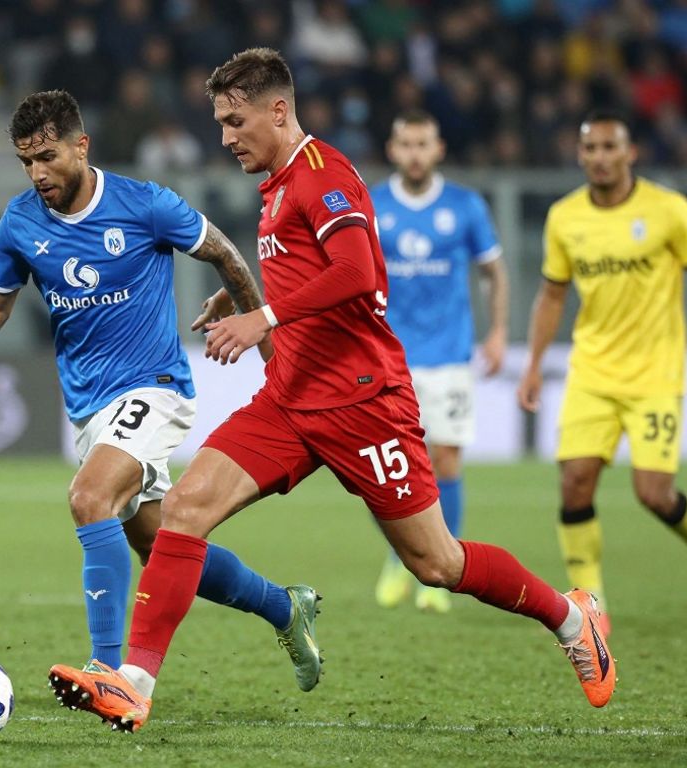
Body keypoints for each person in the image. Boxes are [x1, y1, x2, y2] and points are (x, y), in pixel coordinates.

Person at [49, 48, 616, 733]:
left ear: (278, 110)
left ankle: (569, 615)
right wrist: (244, 303)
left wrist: (264, 315)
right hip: (290, 397)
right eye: (220, 123)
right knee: (185, 507)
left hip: (362, 401)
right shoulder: (277, 186)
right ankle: (134, 684)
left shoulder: (324, 174)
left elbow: (356, 272)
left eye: (235, 120)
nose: (226, 137)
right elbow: (304, 279)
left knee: (437, 562)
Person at [0, 90, 321, 680]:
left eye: (47, 157)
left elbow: (227, 255)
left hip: (154, 386)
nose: (38, 173)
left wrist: (267, 348)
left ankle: (107, 670)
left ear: (80, 146)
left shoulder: (144, 204)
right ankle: (283, 606)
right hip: (90, 405)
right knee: (162, 548)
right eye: (26, 162)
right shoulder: (19, 223)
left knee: (88, 498)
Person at [517, 109, 687, 636]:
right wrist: (532, 365)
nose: (599, 158)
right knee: (575, 483)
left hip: (655, 375)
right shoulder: (565, 217)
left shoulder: (668, 210)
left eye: (609, 148)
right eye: (589, 149)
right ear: (579, 156)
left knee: (654, 494)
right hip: (592, 372)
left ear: (630, 153)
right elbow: (552, 295)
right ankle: (591, 606)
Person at [369, 109, 508, 614]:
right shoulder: (372, 205)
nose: (414, 153)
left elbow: (494, 271)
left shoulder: (465, 206)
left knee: (444, 459)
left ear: (439, 149)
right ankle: (398, 556)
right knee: (387, 467)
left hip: (449, 353)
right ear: (392, 149)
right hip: (388, 357)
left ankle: (438, 571)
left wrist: (497, 332)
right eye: (406, 144)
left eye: (423, 144)